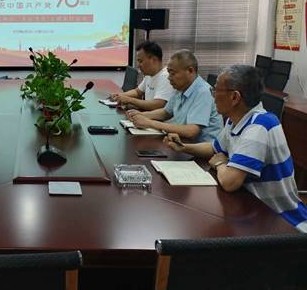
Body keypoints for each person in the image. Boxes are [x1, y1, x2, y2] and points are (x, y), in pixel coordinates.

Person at [164, 65, 307, 232]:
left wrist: (220, 163)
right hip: (255, 211)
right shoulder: (236, 120)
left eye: (215, 90)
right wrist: (183, 148)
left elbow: (230, 182)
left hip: (282, 223)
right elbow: (214, 148)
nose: (213, 96)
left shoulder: (259, 127)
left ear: (234, 97)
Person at [127, 49, 222, 142]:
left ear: (190, 71)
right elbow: (166, 112)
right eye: (169, 73)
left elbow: (191, 131)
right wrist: (140, 115)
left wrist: (150, 123)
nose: (169, 78)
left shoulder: (203, 92)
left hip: (198, 148)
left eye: (173, 73)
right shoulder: (181, 87)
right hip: (181, 142)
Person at [109, 40, 175, 111]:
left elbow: (157, 105)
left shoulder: (166, 77)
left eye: (141, 61)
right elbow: (137, 92)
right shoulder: (149, 75)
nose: (138, 65)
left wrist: (129, 100)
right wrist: (119, 95)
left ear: (154, 60)